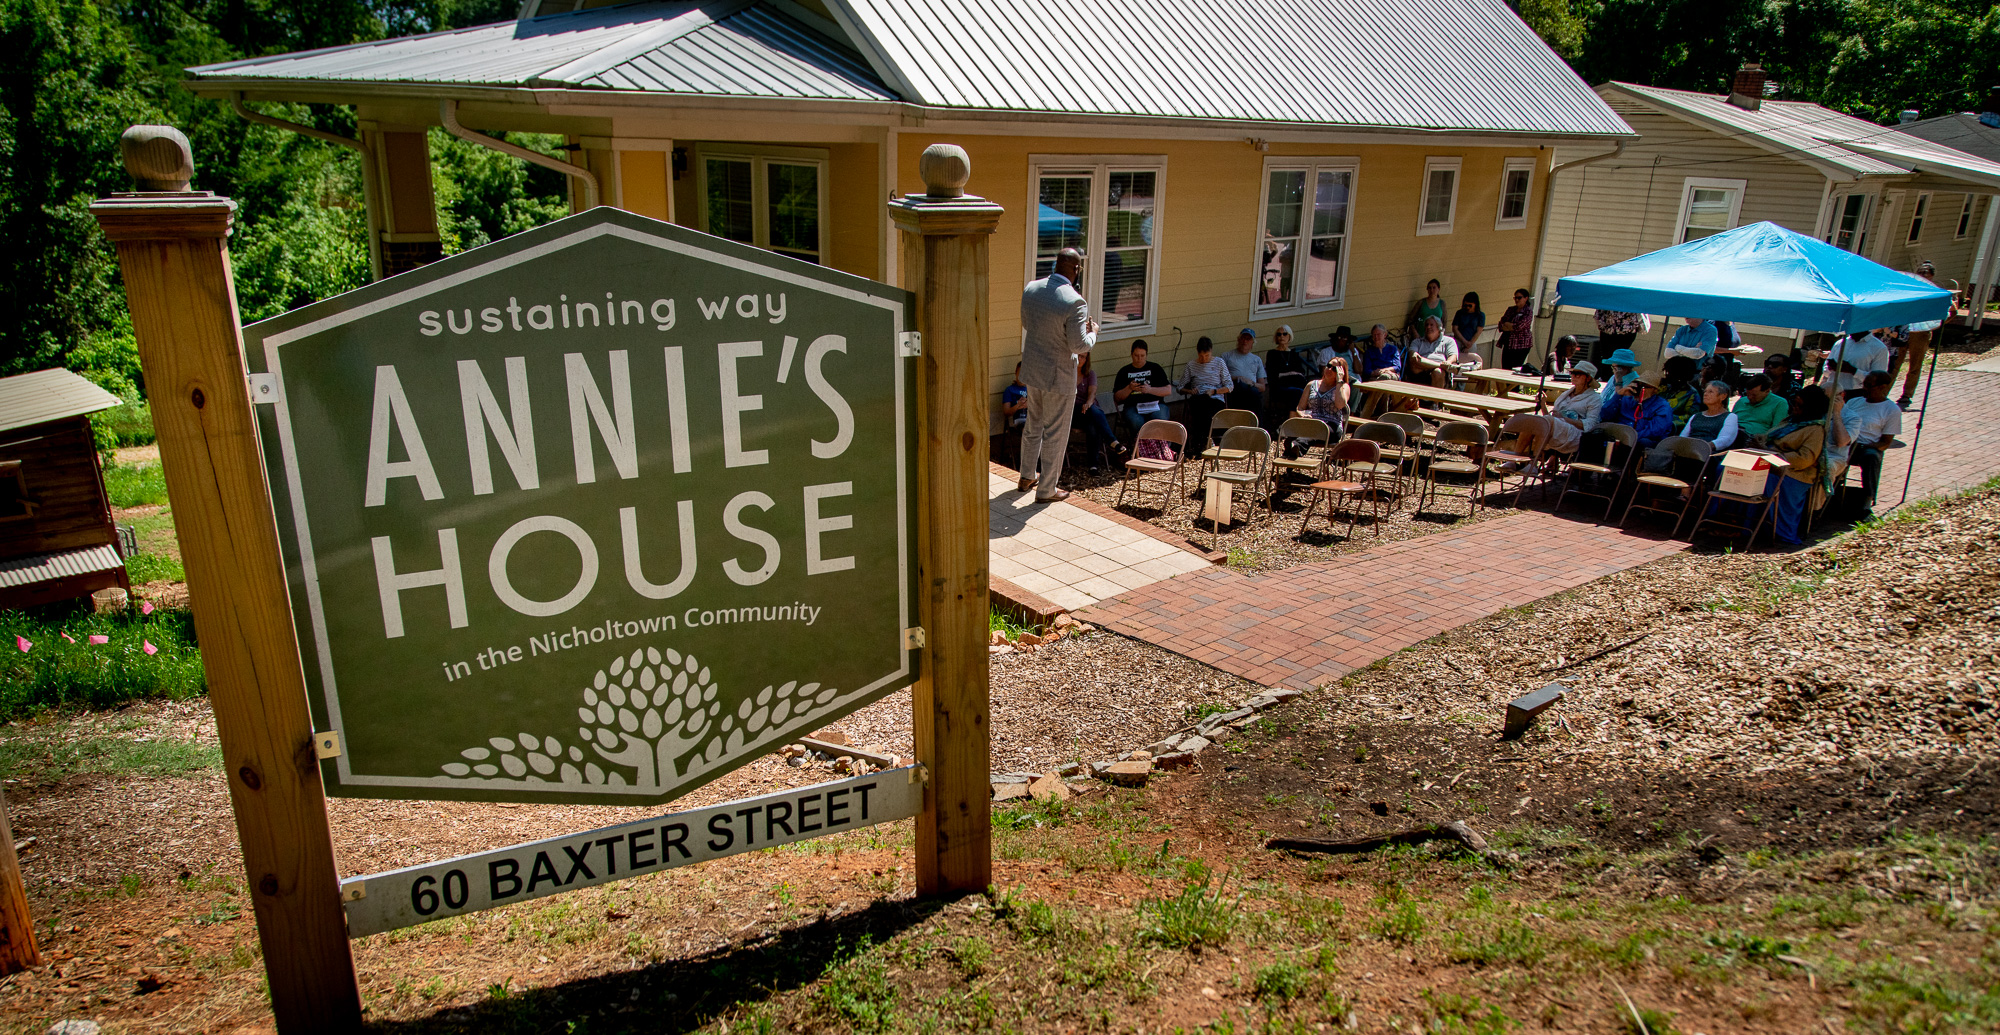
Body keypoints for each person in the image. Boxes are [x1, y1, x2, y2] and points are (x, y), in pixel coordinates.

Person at [1017, 246, 1098, 502]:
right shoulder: (1075, 301)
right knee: (1055, 433)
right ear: (1076, 269)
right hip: (1058, 376)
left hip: (1033, 370)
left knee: (1033, 425)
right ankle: (1047, 490)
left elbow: (1027, 323)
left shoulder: (1032, 288)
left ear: (1056, 264)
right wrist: (1093, 332)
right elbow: (1079, 345)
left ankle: (1026, 476)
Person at [1497, 361, 1601, 470]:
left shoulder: (1594, 399)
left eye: (1578, 374)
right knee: (1532, 422)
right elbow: (1550, 418)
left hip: (1575, 435)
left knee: (1544, 422)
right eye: (1572, 373)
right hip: (1555, 429)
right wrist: (1543, 404)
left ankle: (1533, 464)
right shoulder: (1566, 394)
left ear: (1588, 378)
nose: (1573, 376)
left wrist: (1564, 419)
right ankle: (1513, 461)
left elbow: (1590, 425)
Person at [1769, 387, 1832, 546]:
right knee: (1731, 471)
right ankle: (1739, 523)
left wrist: (1774, 455)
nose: (1795, 408)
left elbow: (1805, 459)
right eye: (1794, 404)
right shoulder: (1790, 422)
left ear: (1811, 408)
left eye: (1800, 406)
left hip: (1795, 472)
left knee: (1767, 481)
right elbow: (1769, 436)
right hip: (1771, 462)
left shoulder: (1815, 429)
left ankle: (1780, 531)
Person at [1836, 370, 1903, 518]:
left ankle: (1866, 502)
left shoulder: (1891, 410)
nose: (1864, 389)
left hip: (1866, 447)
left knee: (1871, 458)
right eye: (1864, 385)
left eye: (1869, 386)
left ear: (1882, 387)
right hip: (1846, 442)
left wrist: (1864, 446)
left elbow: (1885, 443)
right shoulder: (1854, 402)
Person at [1175, 336, 1234, 452]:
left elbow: (1230, 386)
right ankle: (1203, 441)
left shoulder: (1219, 363)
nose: (1204, 359)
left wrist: (1215, 391)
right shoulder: (1191, 365)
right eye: (1201, 356)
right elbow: (1179, 387)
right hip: (1198, 397)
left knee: (1206, 409)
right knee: (1199, 405)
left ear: (1211, 351)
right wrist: (1190, 391)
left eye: (1207, 356)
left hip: (1215, 397)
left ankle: (1202, 440)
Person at [1898, 261, 1942, 409]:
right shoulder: (1909, 288)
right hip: (1904, 330)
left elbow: (1951, 310)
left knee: (1915, 365)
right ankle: (1885, 391)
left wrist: (1935, 324)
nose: (1922, 275)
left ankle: (1907, 394)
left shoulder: (1935, 292)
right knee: (1895, 362)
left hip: (1921, 333)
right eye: (1920, 273)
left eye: (1925, 273)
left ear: (1932, 276)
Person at [1073, 356, 1125, 469]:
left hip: (1089, 410)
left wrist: (1088, 403)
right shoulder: (1066, 374)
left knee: (1093, 425)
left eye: (1083, 357)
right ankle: (1111, 441)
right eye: (1079, 356)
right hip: (1074, 413)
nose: (1080, 359)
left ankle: (1093, 466)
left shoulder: (1090, 374)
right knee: (1093, 413)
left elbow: (1092, 393)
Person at [1600, 371, 1675, 448]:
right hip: (1618, 436)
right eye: (1638, 385)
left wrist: (1628, 437)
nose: (1639, 389)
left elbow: (1655, 431)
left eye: (1644, 387)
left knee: (1643, 442)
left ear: (1655, 390)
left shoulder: (1662, 406)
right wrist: (1618, 395)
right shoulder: (1626, 398)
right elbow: (1604, 416)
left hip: (1640, 441)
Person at [1112, 340, 1171, 436]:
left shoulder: (1155, 368)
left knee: (1160, 419)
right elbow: (1117, 398)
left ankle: (1161, 444)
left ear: (1146, 355)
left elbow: (1168, 390)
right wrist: (1129, 388)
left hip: (1156, 405)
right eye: (1136, 355)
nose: (1139, 359)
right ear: (1131, 354)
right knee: (1137, 422)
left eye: (1142, 356)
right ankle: (1142, 444)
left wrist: (1150, 390)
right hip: (1133, 407)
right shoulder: (1124, 371)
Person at [1814, 329, 1890, 399]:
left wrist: (1853, 371)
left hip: (1857, 395)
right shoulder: (1840, 343)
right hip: (1833, 392)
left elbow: (1878, 380)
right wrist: (1831, 368)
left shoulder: (1878, 348)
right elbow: (1825, 371)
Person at [1263, 324, 1313, 431]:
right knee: (1298, 392)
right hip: (1278, 388)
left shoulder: (1294, 354)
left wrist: (1286, 374)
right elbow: (1273, 375)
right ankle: (1291, 424)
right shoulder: (1272, 354)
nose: (1282, 336)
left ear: (1289, 336)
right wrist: (1291, 374)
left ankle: (1306, 424)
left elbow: (1301, 373)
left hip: (1295, 386)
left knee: (1307, 392)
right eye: (1279, 334)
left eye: (1284, 334)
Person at [1295, 356, 1352, 447]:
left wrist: (1339, 382)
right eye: (1328, 366)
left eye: (1334, 369)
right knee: (1291, 437)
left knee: (1315, 432)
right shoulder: (1311, 384)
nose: (1329, 369)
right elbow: (1300, 407)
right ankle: (1296, 448)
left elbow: (1340, 404)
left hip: (1331, 426)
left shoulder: (1343, 387)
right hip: (1312, 422)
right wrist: (1303, 415)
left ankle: (1297, 445)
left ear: (1341, 373)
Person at [1731, 373, 1789, 444]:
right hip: (1734, 433)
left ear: (1767, 391)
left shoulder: (1779, 403)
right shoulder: (1742, 401)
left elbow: (1777, 429)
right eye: (1748, 394)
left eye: (1754, 395)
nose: (1750, 397)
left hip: (1755, 438)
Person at [1404, 316, 1460, 389]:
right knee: (1415, 366)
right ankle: (1440, 366)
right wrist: (1442, 365)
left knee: (1437, 372)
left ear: (1439, 328)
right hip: (1422, 372)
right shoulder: (1417, 342)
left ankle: (1435, 397)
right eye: (1426, 325)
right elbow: (1413, 356)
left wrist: (1448, 362)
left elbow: (1453, 356)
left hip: (1431, 369)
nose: (1428, 327)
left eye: (1431, 325)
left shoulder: (1448, 341)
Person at [1222, 327, 1267, 415]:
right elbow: (1220, 378)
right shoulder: (1227, 356)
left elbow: (1262, 387)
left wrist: (1251, 383)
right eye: (1243, 338)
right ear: (1238, 339)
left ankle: (1256, 422)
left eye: (1248, 339)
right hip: (1235, 389)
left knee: (1255, 393)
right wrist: (1237, 378)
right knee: (1242, 387)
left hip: (1252, 390)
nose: (1245, 341)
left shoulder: (1257, 360)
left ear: (1252, 343)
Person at [1497, 288, 1535, 369]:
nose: (1517, 300)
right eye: (1515, 298)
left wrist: (1508, 325)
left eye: (1519, 298)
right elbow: (1501, 324)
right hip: (1508, 343)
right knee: (1505, 368)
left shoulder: (1528, 311)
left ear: (1526, 298)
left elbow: (1519, 326)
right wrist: (1508, 326)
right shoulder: (1511, 310)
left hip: (1521, 345)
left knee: (1515, 368)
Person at [1659, 355, 1703, 419]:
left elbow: (1691, 417)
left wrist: (1665, 418)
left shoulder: (1691, 394)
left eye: (1669, 373)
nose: (1666, 375)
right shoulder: (1662, 387)